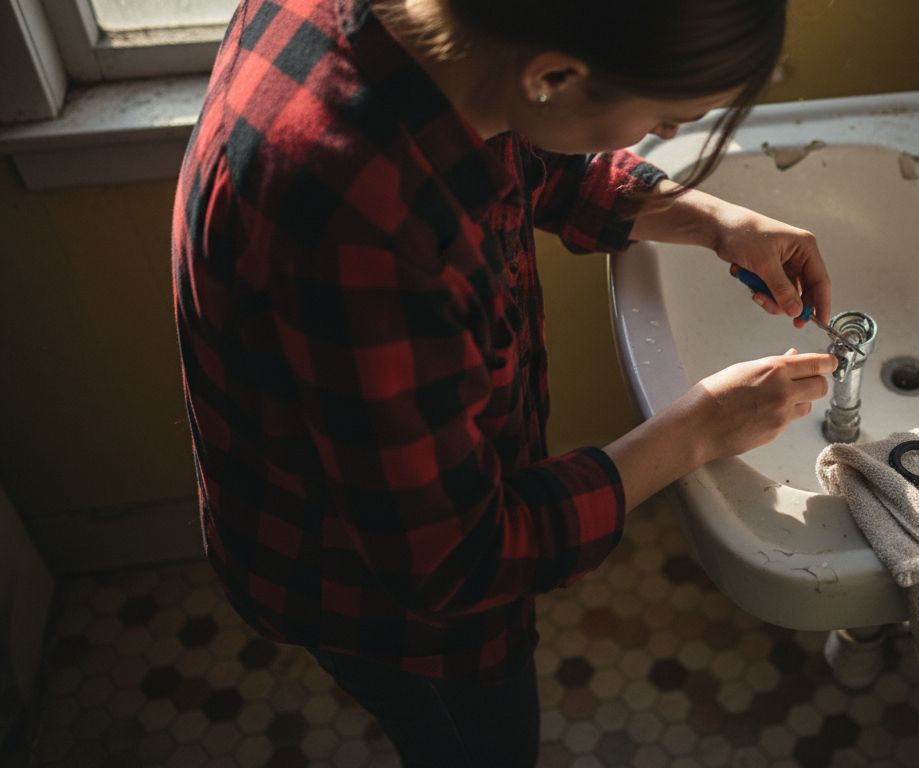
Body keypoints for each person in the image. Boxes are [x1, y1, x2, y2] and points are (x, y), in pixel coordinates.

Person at [171, 0, 834, 764]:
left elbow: (523, 154)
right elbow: (459, 563)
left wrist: (710, 218)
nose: (668, 135)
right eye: (665, 117)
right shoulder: (370, 226)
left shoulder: (455, 45)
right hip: (373, 593)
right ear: (554, 74)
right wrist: (697, 430)